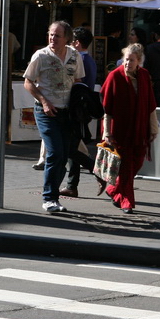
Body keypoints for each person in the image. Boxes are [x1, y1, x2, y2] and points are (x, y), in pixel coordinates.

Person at [23, 20, 84, 214]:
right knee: (55, 153)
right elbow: (28, 82)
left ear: (67, 38)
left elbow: (78, 80)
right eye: (51, 34)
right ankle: (49, 198)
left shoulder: (75, 56)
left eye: (57, 35)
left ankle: (54, 195)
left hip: (67, 112)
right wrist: (44, 101)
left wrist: (80, 104)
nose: (52, 38)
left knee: (63, 155)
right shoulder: (41, 56)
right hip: (46, 111)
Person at [101, 43, 159, 214]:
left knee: (137, 162)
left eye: (132, 60)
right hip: (120, 130)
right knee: (126, 166)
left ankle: (113, 190)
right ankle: (126, 201)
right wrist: (106, 132)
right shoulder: (114, 76)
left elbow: (150, 104)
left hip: (140, 129)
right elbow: (107, 108)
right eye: (126, 60)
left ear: (139, 61)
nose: (128, 63)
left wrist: (153, 128)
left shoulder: (144, 76)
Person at [60, 26, 101, 198]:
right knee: (72, 147)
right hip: (82, 108)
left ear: (77, 43)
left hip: (76, 109)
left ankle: (97, 171)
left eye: (71, 41)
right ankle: (72, 185)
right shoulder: (89, 59)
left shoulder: (78, 59)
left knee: (70, 148)